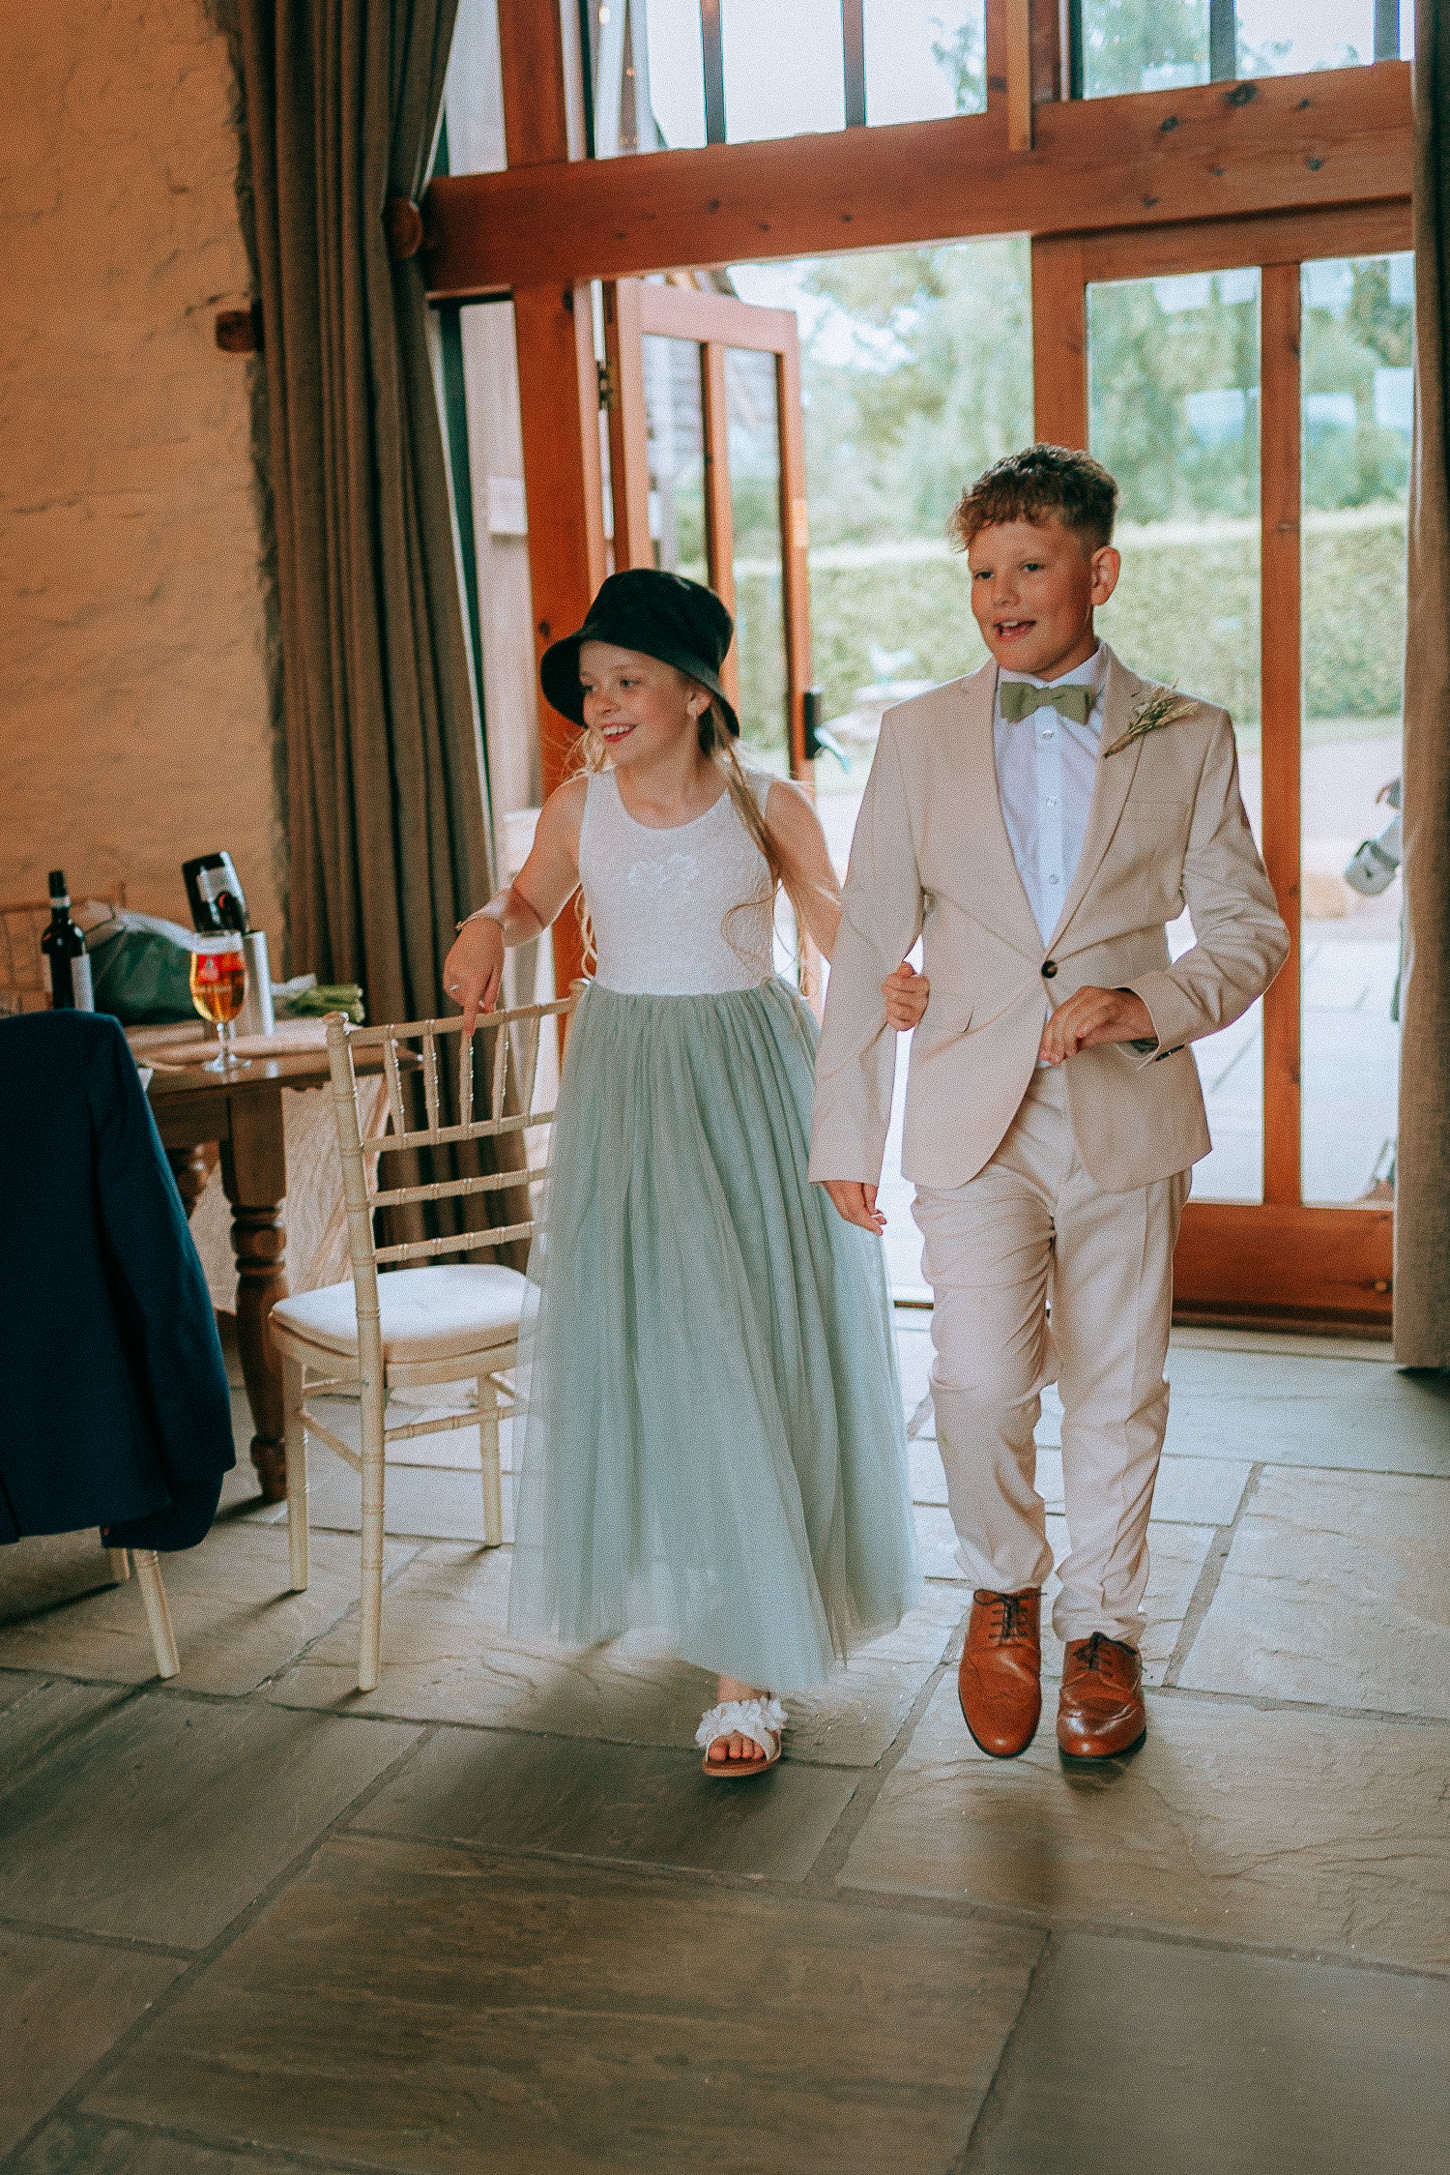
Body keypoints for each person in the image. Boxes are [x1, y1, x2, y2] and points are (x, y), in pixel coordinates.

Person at [810, 444, 1288, 1762]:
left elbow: (1246, 929)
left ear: (1099, 572)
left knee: (1120, 1387)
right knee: (972, 1381)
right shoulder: (913, 737)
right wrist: (843, 1125)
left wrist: (1146, 1001)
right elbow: (864, 940)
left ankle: (1103, 1632)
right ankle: (1003, 1583)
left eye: (1028, 566)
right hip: (970, 1106)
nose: (999, 593)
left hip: (1124, 1112)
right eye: (979, 571)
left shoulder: (1184, 733)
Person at [443, 568, 924, 1777]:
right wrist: (484, 927)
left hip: (747, 1078)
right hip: (626, 1083)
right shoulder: (577, 809)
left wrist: (893, 981)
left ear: (698, 692)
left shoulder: (767, 803)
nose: (602, 706)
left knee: (742, 1333)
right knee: (656, 1335)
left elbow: (836, 930)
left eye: (629, 681)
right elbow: (527, 900)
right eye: (591, 686)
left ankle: (747, 1669)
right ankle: (710, 1576)